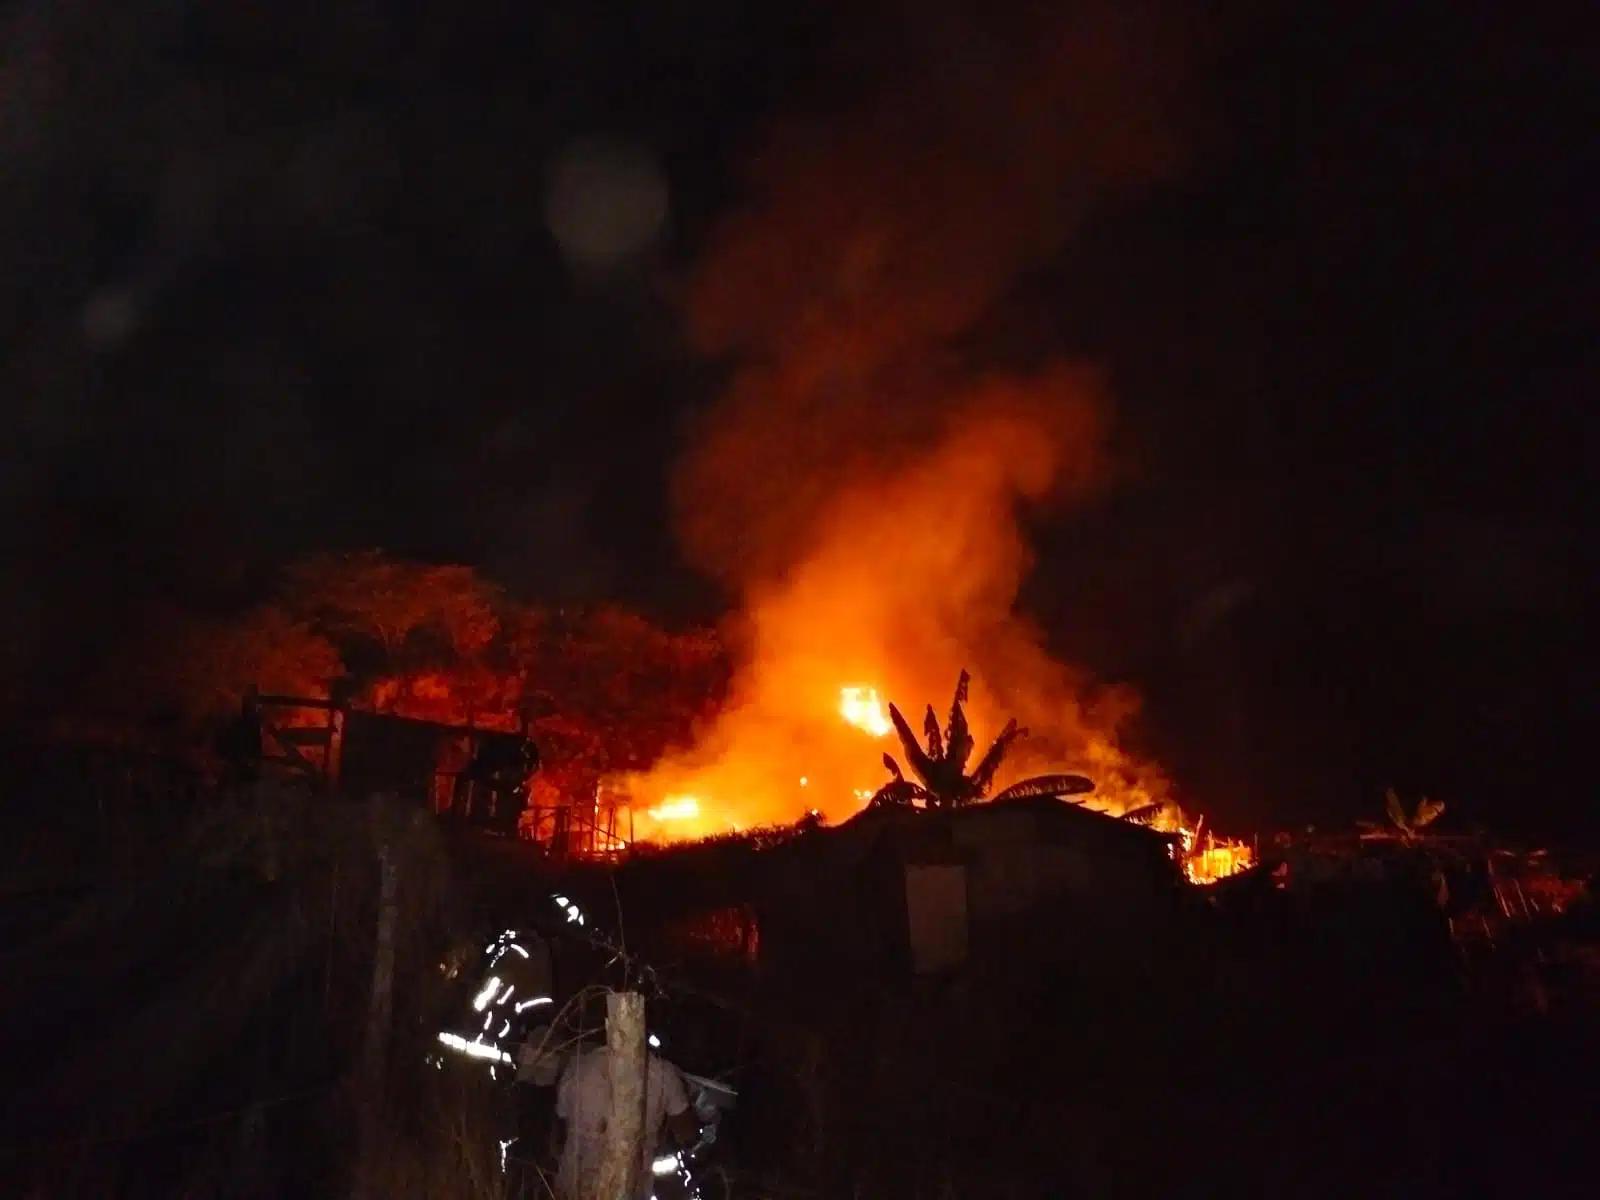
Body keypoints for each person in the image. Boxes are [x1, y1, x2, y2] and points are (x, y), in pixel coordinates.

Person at [552, 1025, 700, 1200]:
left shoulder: (576, 1068)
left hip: (574, 1183)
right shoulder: (664, 1074)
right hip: (627, 1189)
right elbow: (688, 1134)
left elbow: (560, 1130)